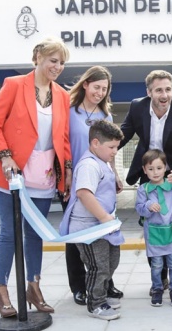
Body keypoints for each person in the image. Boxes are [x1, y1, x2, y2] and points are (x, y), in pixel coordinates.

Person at [0, 36, 71, 317]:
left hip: (44, 176)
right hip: (13, 174)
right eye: (52, 60)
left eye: (61, 63)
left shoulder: (62, 95)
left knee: (35, 236)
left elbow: (63, 137)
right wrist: (4, 155)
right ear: (38, 57)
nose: (57, 67)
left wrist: (66, 170)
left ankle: (33, 287)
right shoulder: (14, 85)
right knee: (10, 234)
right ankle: (2, 292)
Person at [119, 70, 172, 298]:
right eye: (159, 90)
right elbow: (122, 136)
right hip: (150, 175)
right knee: (153, 225)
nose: (165, 95)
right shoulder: (137, 107)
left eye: (168, 89)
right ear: (149, 92)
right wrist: (99, 155)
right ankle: (161, 277)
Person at [64, 66, 123, 306]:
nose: (99, 92)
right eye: (96, 87)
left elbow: (110, 150)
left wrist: (115, 174)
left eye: (104, 89)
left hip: (100, 179)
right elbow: (63, 143)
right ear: (85, 84)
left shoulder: (105, 116)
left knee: (104, 233)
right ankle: (79, 286)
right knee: (78, 233)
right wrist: (67, 172)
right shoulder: (69, 111)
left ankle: (104, 282)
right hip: (76, 178)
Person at [61, 119, 124, 320]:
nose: (115, 151)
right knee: (98, 265)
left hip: (104, 227)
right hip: (89, 229)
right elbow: (84, 194)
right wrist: (105, 217)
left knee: (111, 261)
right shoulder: (88, 165)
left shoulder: (102, 163)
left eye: (117, 147)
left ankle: (102, 294)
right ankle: (95, 303)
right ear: (95, 143)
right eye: (111, 147)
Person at [135, 149, 172, 307]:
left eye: (159, 168)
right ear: (145, 170)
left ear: (165, 167)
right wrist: (148, 206)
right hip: (155, 233)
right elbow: (139, 207)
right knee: (157, 264)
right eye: (150, 169)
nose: (155, 172)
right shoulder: (143, 189)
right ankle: (157, 288)